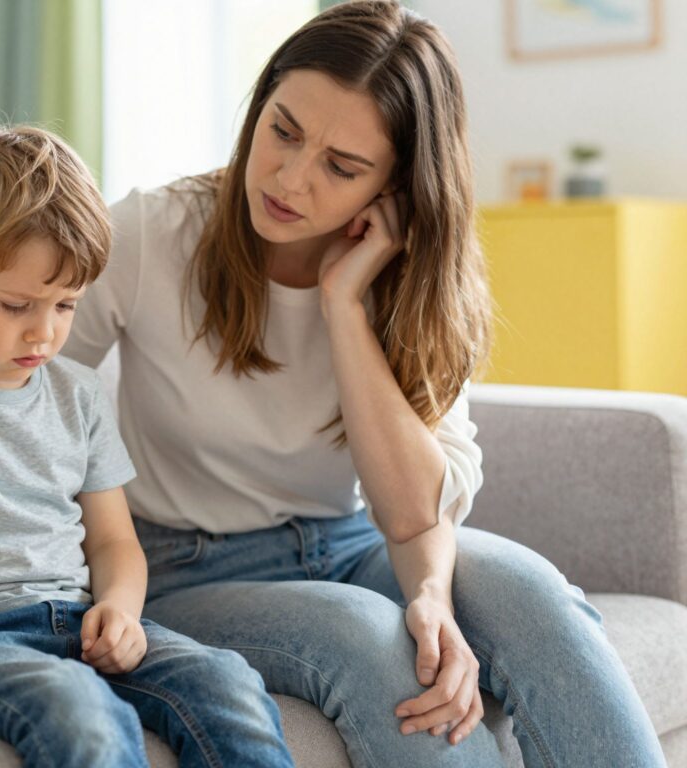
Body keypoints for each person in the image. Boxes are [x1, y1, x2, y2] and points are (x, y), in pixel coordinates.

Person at [64, 2, 668, 766]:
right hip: (185, 567)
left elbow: (416, 509)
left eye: (341, 168)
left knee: (531, 593)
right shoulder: (151, 235)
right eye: (282, 130)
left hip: (350, 545)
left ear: (396, 185)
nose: (288, 177)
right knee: (363, 634)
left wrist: (345, 306)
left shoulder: (405, 278)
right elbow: (24, 390)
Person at [0, 123, 295, 768]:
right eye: (18, 304)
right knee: (79, 708)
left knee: (227, 683)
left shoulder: (74, 393)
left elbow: (113, 541)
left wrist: (120, 610)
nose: (44, 334)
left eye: (65, 306)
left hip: (69, 619)